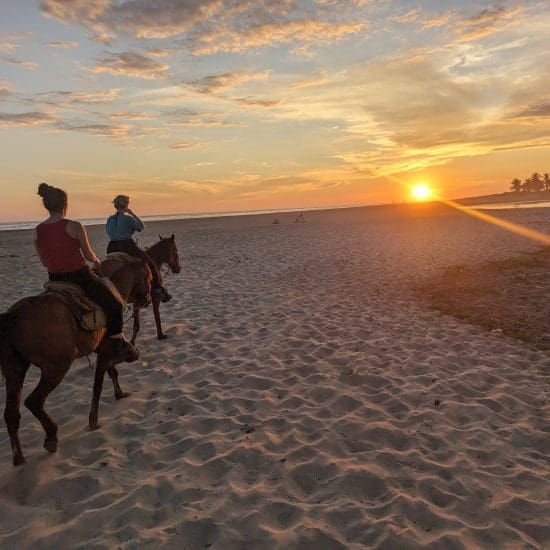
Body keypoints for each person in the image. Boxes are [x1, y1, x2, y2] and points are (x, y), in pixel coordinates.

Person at [34, 183, 138, 363]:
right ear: (65, 205)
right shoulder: (73, 225)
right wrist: (97, 262)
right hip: (79, 277)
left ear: (47, 206)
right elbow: (89, 255)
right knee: (114, 305)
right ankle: (117, 345)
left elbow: (44, 262)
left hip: (54, 279)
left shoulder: (37, 230)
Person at [106, 195, 171, 302]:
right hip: (127, 245)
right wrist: (132, 214)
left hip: (112, 247)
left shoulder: (110, 219)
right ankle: (157, 289)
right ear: (126, 205)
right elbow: (141, 227)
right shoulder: (128, 218)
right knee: (150, 263)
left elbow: (109, 232)